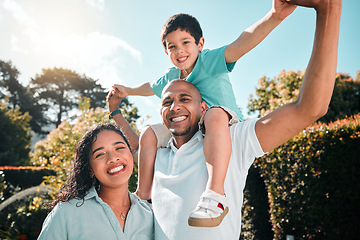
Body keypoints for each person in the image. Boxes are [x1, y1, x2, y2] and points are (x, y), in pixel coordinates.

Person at [108, 0, 342, 238]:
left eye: (185, 43)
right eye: (171, 47)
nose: (179, 51)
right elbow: (147, 101)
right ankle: (143, 195)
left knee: (215, 115)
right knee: (148, 132)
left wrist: (274, 15)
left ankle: (215, 193)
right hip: (199, 125)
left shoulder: (210, 65)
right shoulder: (170, 88)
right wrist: (123, 96)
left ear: (200, 44)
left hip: (221, 123)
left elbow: (242, 43)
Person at [37, 124, 154, 240]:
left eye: (119, 148)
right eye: (100, 154)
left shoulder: (149, 214)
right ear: (90, 169)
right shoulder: (66, 213)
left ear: (130, 154)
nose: (113, 158)